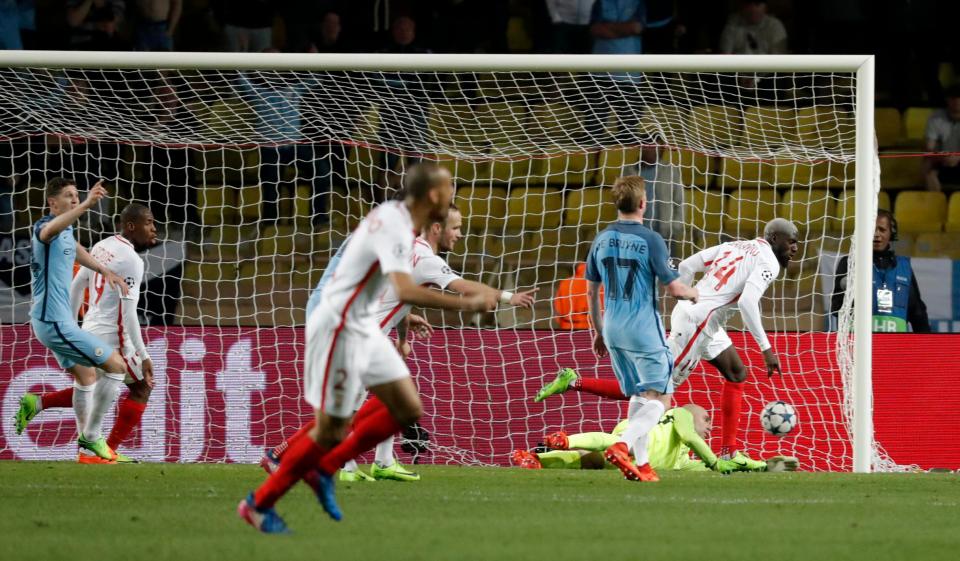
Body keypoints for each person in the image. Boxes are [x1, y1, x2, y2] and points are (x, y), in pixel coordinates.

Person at [238, 163, 498, 533]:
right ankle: (271, 490)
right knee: (339, 422)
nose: (454, 196)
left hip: (357, 319)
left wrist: (405, 319)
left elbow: (381, 281)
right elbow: (406, 289)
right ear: (432, 195)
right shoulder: (396, 226)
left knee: (402, 407)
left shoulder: (398, 224)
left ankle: (316, 470)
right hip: (341, 319)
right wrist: (469, 304)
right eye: (449, 190)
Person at [263, 202, 536, 483]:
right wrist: (507, 297)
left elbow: (399, 296)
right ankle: (282, 456)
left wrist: (404, 336)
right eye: (455, 228)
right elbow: (461, 287)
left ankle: (372, 463)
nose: (459, 234)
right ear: (437, 228)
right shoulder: (426, 259)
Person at [538, 217, 799, 460]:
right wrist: (766, 349)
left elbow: (686, 266)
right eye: (792, 241)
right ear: (775, 238)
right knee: (653, 391)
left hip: (702, 317)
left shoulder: (735, 245)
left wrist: (685, 303)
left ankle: (729, 452)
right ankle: (576, 388)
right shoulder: (769, 263)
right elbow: (748, 303)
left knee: (736, 372)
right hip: (699, 322)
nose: (795, 248)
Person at [16, 203, 159, 462]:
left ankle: (38, 404)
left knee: (92, 385)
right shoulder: (133, 261)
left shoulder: (102, 245)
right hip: (115, 335)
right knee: (141, 387)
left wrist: (72, 324)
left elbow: (78, 283)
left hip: (90, 329)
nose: (154, 228)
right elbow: (128, 314)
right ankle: (105, 450)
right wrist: (143, 354)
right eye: (148, 223)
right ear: (131, 226)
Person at [580, 175, 698, 482]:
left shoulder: (601, 239)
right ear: (644, 204)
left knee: (639, 394)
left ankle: (642, 464)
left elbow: (591, 292)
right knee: (662, 399)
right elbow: (674, 289)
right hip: (643, 327)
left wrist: (598, 330)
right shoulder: (651, 239)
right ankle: (623, 444)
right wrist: (696, 293)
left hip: (613, 328)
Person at [511, 403, 796, 473]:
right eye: (706, 419)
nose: (709, 426)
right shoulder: (678, 415)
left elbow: (718, 469)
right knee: (619, 446)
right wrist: (715, 461)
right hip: (639, 434)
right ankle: (566, 439)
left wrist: (762, 465)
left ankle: (536, 458)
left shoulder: (682, 460)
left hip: (633, 464)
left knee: (591, 462)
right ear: (691, 412)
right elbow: (695, 440)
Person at [831, 209, 930, 333]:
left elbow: (918, 314)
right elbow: (836, 308)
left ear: (891, 233)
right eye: (872, 229)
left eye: (882, 230)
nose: (876, 234)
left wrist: (926, 347)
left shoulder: (904, 267)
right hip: (859, 347)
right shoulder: (850, 263)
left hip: (897, 348)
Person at [923, 84, 960, 192]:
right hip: (942, 161)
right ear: (948, 99)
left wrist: (958, 158)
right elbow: (929, 149)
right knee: (927, 165)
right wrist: (942, 157)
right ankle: (937, 202)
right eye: (954, 97)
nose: (957, 101)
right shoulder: (936, 118)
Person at [718, 0, 788, 55]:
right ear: (742, 6)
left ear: (765, 7)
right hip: (737, 72)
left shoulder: (774, 25)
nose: (753, 9)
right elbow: (725, 56)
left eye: (757, 4)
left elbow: (778, 60)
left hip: (768, 72)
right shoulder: (732, 24)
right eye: (749, 4)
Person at [553, 262, 592, 330]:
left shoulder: (565, 283)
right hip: (596, 333)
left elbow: (558, 313)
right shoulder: (605, 284)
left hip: (568, 332)